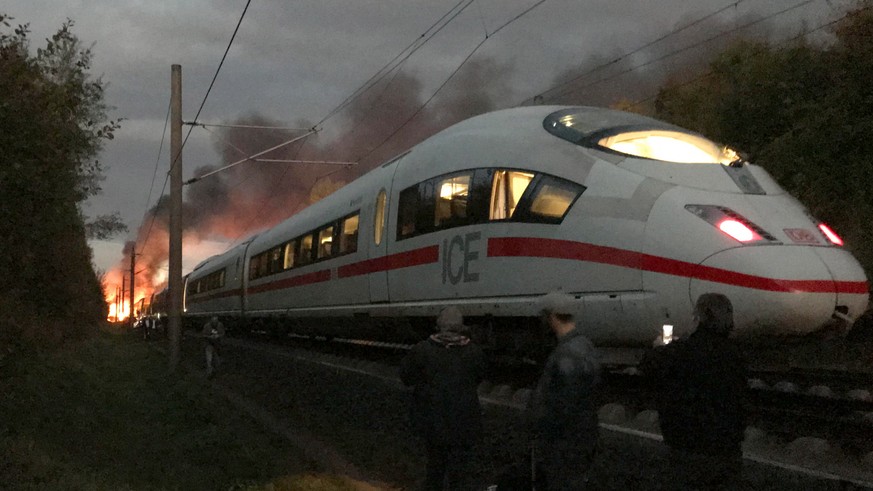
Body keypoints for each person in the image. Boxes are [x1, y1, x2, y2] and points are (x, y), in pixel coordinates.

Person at [639, 293, 747, 490]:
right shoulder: (735, 353)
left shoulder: (682, 351)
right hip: (728, 449)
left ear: (698, 318)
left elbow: (648, 366)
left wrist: (661, 346)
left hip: (688, 448)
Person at [399, 306, 486, 491]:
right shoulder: (474, 352)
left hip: (432, 421)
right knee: (459, 471)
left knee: (435, 467)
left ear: (438, 326)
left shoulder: (422, 350)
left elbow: (406, 377)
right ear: (461, 327)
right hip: (464, 421)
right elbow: (480, 376)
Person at [527, 291, 601, 490]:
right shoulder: (586, 345)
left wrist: (541, 427)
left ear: (551, 317)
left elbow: (562, 405)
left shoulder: (566, 354)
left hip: (564, 445)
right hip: (583, 439)